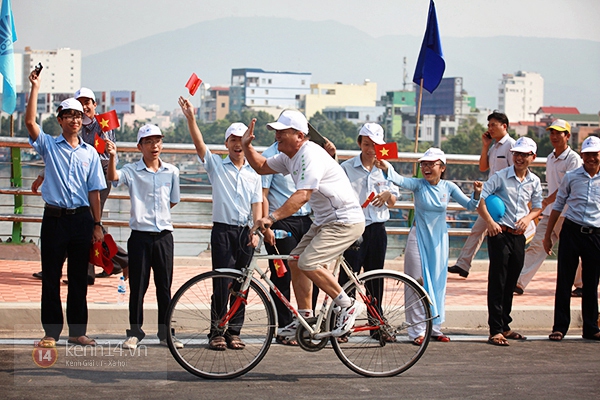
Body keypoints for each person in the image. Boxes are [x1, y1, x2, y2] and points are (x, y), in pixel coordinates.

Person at [241, 110, 366, 340]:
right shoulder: (289, 156)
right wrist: (247, 146)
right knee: (296, 261)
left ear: (299, 135)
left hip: (344, 221)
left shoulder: (310, 154)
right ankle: (305, 317)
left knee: (309, 262)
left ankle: (347, 305)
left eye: (282, 132)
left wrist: (270, 218)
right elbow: (260, 166)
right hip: (325, 221)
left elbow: (303, 195)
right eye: (275, 132)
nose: (276, 136)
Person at [25, 69, 106, 348]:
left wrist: (97, 224)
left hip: (82, 220)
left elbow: (95, 191)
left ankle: (77, 332)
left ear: (84, 122)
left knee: (78, 279)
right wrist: (35, 88)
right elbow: (30, 122)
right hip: (55, 219)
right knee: (50, 276)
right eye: (69, 115)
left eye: (78, 116)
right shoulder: (49, 146)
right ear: (60, 120)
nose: (75, 119)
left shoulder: (90, 153)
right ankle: (51, 333)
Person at [179, 97, 262, 351]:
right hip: (223, 231)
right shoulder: (216, 165)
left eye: (242, 140)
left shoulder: (254, 172)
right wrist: (191, 118)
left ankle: (235, 331)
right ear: (227, 144)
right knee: (221, 284)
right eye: (233, 140)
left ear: (248, 142)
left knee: (242, 286)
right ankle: (217, 332)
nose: (238, 145)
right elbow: (199, 143)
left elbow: (257, 204)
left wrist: (256, 231)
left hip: (246, 234)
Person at [377, 148, 481, 344]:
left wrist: (476, 193)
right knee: (417, 281)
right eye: (423, 164)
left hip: (439, 240)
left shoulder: (449, 187)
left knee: (438, 282)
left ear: (442, 167)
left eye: (431, 164)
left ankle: (435, 327)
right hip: (418, 237)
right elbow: (399, 179)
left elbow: (470, 206)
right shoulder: (418, 185)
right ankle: (417, 331)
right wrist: (386, 166)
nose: (426, 168)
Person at [30, 87, 128, 283]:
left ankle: (111, 264)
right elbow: (61, 158)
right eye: (79, 103)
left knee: (89, 220)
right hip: (78, 178)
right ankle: (108, 265)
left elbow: (98, 155)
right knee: (84, 222)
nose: (84, 107)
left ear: (94, 105)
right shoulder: (71, 129)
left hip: (98, 176)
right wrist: (43, 174)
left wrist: (105, 152)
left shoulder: (104, 124)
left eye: (87, 103)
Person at [106, 124, 182, 350]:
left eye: (158, 140)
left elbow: (174, 199)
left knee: (164, 286)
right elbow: (114, 178)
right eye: (148, 142)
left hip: (164, 236)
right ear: (140, 146)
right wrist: (112, 158)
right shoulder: (132, 170)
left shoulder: (172, 171)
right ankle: (135, 332)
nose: (154, 146)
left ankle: (165, 332)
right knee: (138, 287)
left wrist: (158, 215)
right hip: (139, 236)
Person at [478, 137, 542, 346]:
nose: (520, 158)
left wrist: (527, 219)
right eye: (516, 154)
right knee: (498, 281)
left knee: (511, 281)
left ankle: (505, 325)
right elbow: (481, 199)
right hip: (499, 234)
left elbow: (538, 207)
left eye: (524, 154)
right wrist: (489, 222)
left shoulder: (534, 181)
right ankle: (495, 329)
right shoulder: (500, 176)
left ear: (533, 157)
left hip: (518, 236)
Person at [339, 123, 399, 340]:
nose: (370, 149)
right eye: (366, 144)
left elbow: (393, 200)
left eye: (375, 145)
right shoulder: (346, 168)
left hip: (377, 229)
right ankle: (342, 325)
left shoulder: (386, 168)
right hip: (354, 228)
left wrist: (386, 195)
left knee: (376, 276)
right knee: (348, 277)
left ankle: (376, 324)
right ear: (359, 143)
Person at [515, 119, 582, 295]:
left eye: (558, 133)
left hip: (569, 214)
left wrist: (546, 201)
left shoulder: (573, 159)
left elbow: (566, 187)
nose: (554, 136)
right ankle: (519, 282)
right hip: (551, 212)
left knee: (574, 251)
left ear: (567, 136)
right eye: (551, 132)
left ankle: (582, 284)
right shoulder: (551, 158)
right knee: (537, 245)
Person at [544, 135, 600, 341]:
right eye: (587, 155)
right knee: (564, 280)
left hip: (595, 235)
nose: (591, 159)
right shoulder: (572, 177)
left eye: (595, 154)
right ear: (582, 155)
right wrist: (549, 235)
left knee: (591, 283)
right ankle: (560, 327)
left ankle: (591, 327)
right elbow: (557, 206)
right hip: (571, 231)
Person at [449, 111, 515, 278]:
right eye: (489, 125)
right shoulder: (494, 147)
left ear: (504, 126)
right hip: (491, 196)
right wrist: (485, 145)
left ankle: (511, 271)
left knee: (504, 234)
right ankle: (463, 264)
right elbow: (483, 167)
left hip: (504, 199)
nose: (490, 128)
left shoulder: (511, 146)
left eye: (494, 125)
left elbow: (515, 172)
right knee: (478, 230)